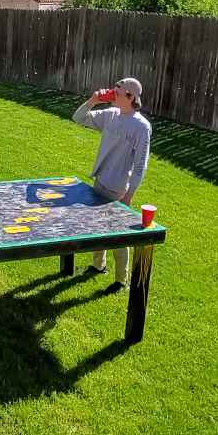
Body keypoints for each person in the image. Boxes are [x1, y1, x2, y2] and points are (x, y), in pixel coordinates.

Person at [72, 77, 152, 294]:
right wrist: (92, 101)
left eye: (118, 91)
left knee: (117, 235)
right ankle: (98, 266)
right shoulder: (111, 115)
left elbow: (140, 166)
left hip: (118, 188)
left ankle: (120, 280)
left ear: (130, 97)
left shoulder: (141, 126)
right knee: (99, 228)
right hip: (100, 182)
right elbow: (78, 118)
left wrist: (129, 195)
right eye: (114, 89)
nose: (112, 92)